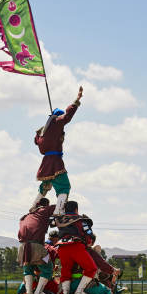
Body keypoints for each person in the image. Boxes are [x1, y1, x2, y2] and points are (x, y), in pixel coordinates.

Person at [30, 86, 83, 216]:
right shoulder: (57, 122)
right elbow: (68, 116)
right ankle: (58, 210)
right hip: (55, 162)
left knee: (46, 185)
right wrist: (77, 100)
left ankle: (33, 206)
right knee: (64, 186)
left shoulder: (43, 133)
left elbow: (36, 141)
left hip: (46, 162)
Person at [53, 200, 98, 294]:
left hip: (61, 247)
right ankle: (79, 291)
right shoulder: (81, 220)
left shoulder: (60, 219)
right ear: (76, 209)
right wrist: (89, 241)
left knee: (65, 270)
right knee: (91, 268)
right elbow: (89, 235)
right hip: (75, 246)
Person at [17, 197, 56, 294]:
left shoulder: (25, 216)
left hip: (22, 248)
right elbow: (58, 206)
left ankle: (29, 292)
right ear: (46, 205)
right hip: (37, 247)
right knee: (48, 268)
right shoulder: (44, 210)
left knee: (28, 269)